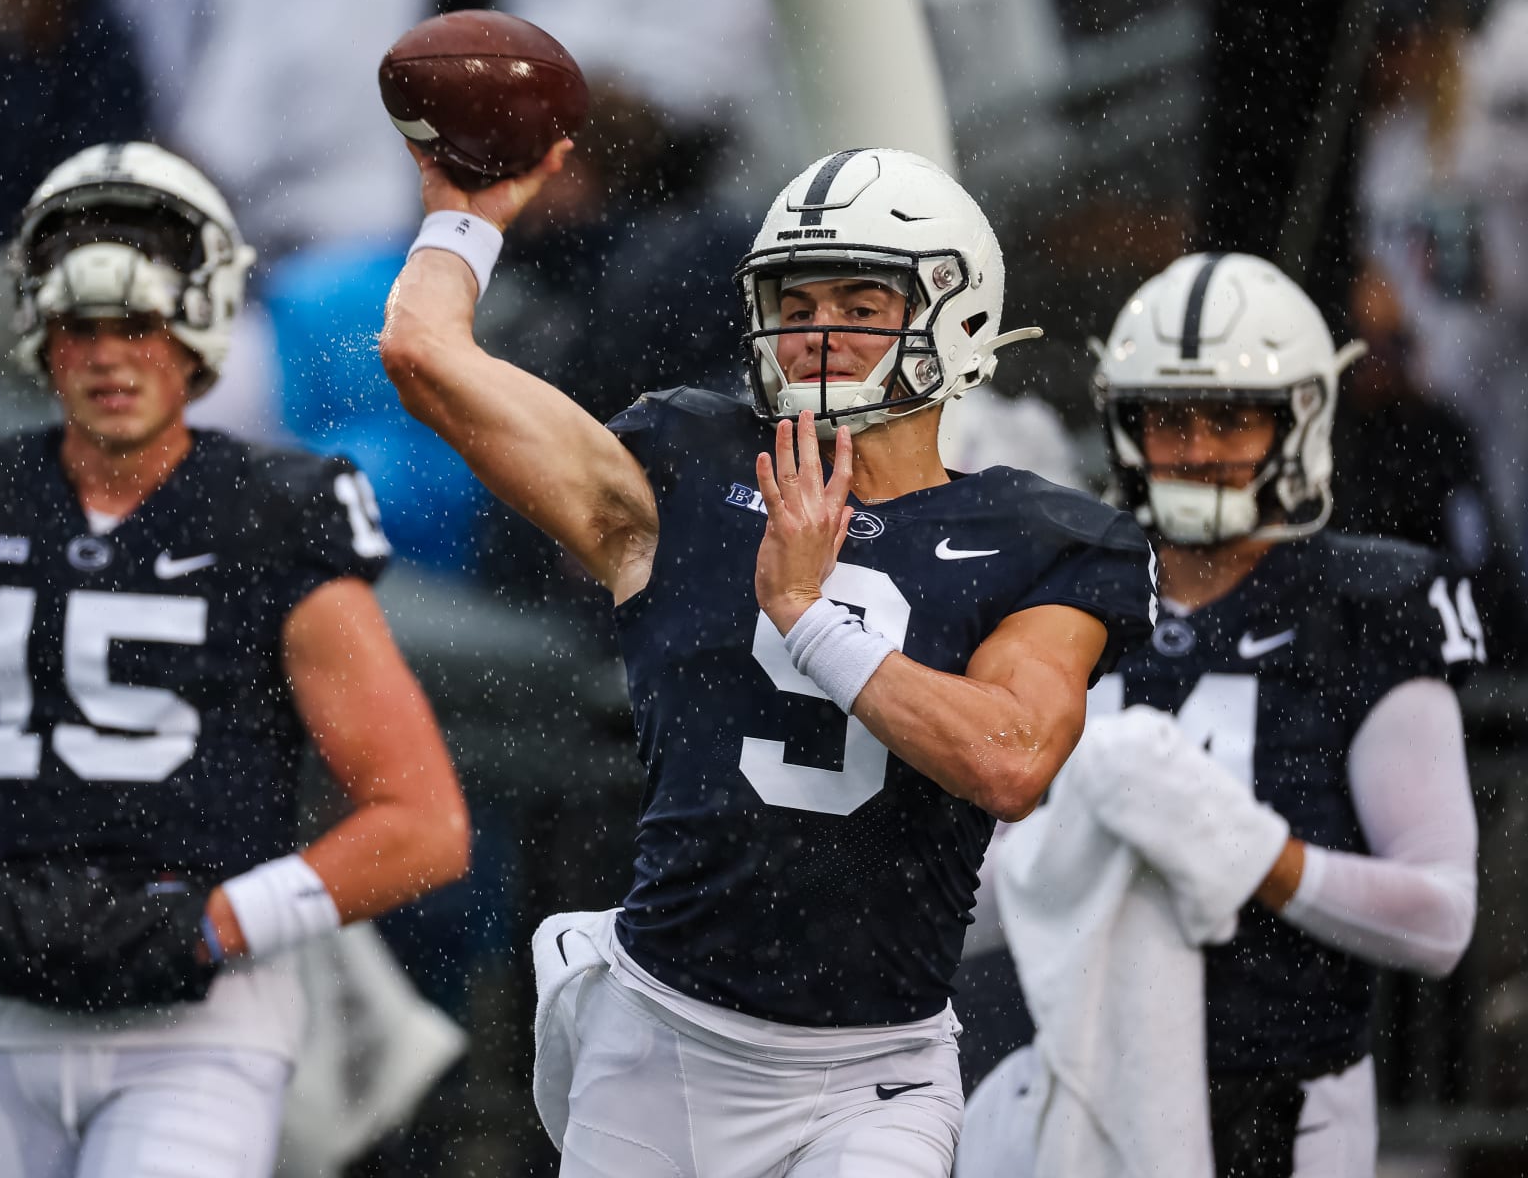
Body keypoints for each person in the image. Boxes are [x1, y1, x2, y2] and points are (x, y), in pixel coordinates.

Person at [380, 143, 1156, 1176]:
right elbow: (423, 355)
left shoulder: (1038, 534)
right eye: (796, 302)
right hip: (660, 1045)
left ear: (955, 312)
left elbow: (1010, 759)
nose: (820, 331)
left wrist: (810, 618)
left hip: (871, 1073)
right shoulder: (687, 469)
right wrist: (464, 219)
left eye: (860, 301)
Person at [0, 141, 470, 1178]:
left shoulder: (276, 515)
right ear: (38, 331)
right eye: (82, 325)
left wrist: (215, 923)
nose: (109, 355)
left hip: (202, 1022)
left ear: (198, 324)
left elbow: (424, 824)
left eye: (137, 322)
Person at [1067, 251, 1479, 1175]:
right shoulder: (1065, 589)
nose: (1198, 448)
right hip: (1077, 1076)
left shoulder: (1366, 607)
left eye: (1230, 417)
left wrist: (1256, 857)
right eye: (1168, 418)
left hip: (1287, 1095)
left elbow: (1442, 919)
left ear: (1299, 419)